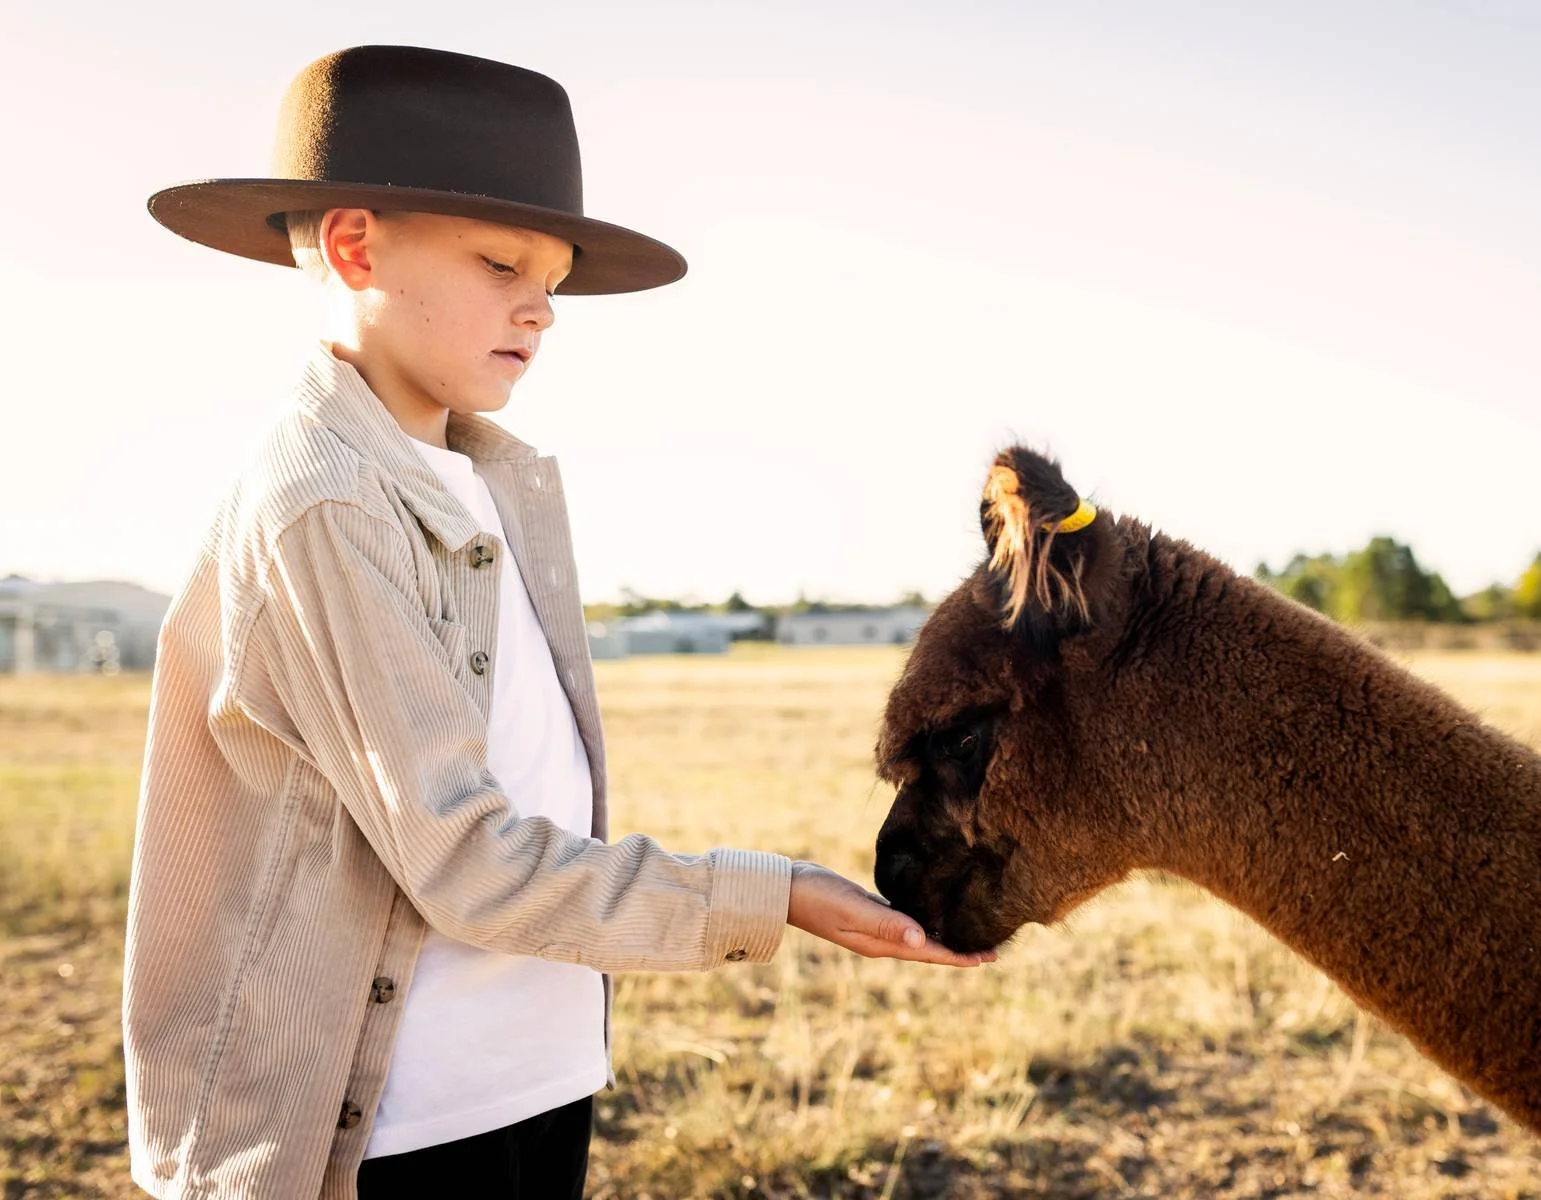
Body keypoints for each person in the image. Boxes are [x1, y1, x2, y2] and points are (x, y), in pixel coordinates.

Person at [124, 45, 987, 1200]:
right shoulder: (322, 503)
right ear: (350, 243)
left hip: (537, 1077)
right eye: (501, 264)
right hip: (401, 1128)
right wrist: (769, 892)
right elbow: (466, 859)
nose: (541, 308)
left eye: (556, 279)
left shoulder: (491, 481)